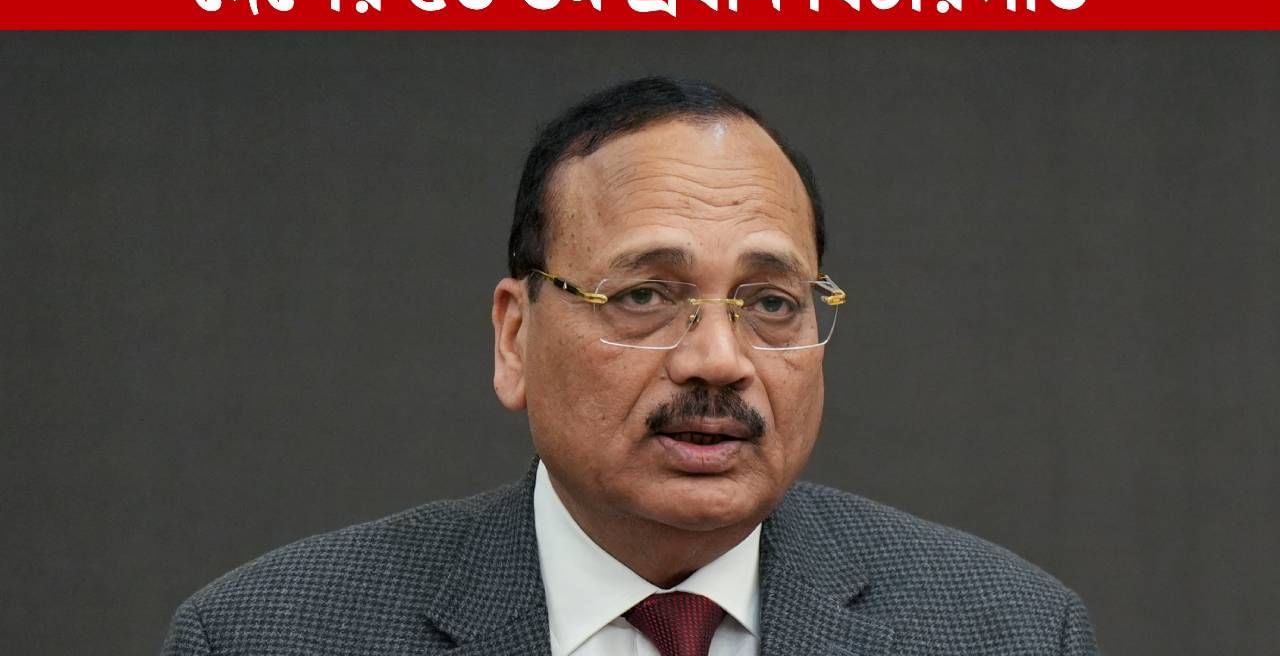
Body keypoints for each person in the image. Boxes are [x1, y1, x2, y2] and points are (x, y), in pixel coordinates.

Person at [162, 77, 1099, 655]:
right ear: (515, 337)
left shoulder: (1011, 633)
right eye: (646, 295)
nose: (718, 360)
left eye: (771, 304)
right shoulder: (266, 637)